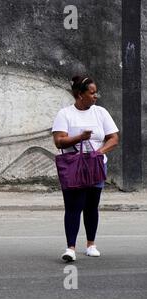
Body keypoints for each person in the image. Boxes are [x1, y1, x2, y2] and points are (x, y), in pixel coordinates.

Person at [52, 76, 119, 262]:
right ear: (80, 95)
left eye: (95, 92)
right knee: (73, 207)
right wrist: (80, 137)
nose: (95, 96)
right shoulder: (65, 114)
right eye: (91, 93)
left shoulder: (101, 112)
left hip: (95, 165)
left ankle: (91, 244)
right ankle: (70, 248)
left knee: (91, 206)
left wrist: (99, 153)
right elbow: (59, 141)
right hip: (73, 166)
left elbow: (113, 138)